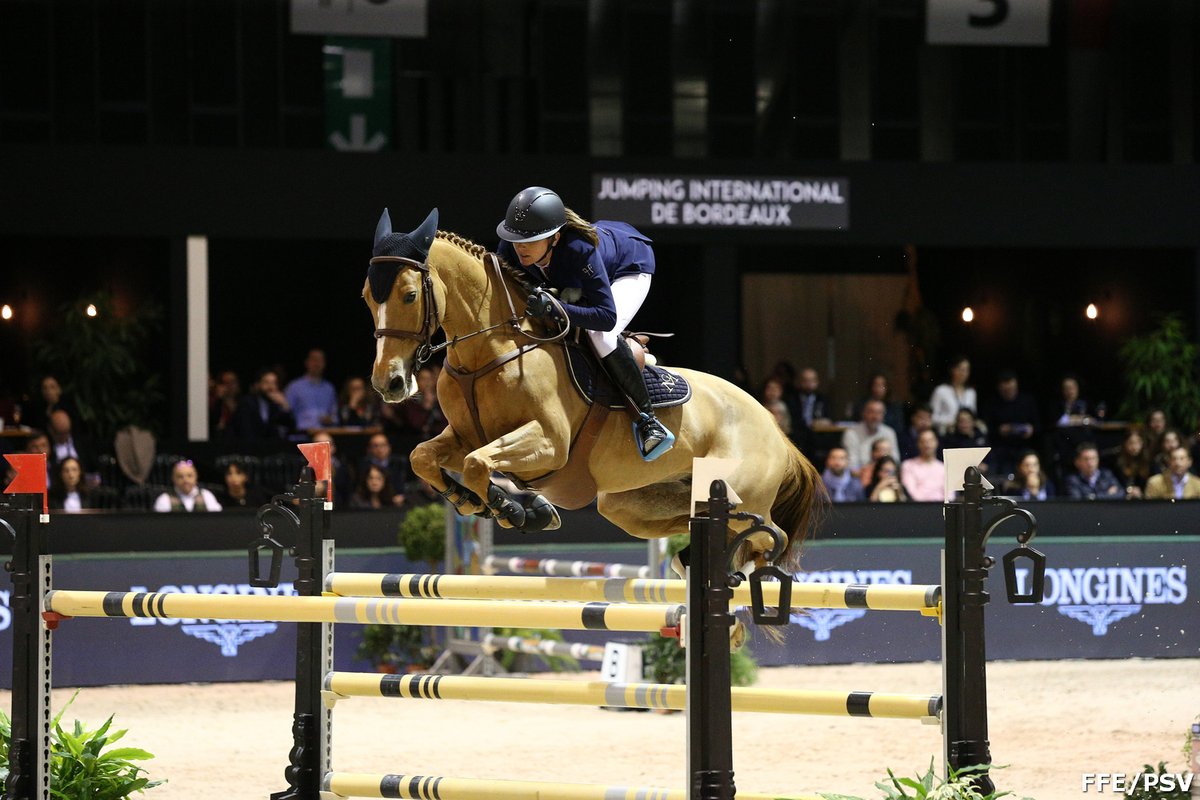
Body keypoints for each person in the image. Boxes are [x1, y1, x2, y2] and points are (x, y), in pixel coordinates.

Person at [496, 186, 673, 461]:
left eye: (530, 241)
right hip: (575, 277)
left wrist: (556, 308)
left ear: (554, 238)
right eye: (517, 239)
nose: (520, 247)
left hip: (627, 267)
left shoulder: (579, 251)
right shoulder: (511, 246)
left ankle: (648, 421)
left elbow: (605, 316)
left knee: (600, 336)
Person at [983, 370, 1041, 478]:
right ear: (1000, 388)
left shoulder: (1027, 400)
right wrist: (999, 430)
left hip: (1024, 447)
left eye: (1012, 388)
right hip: (1002, 449)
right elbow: (987, 429)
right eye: (1006, 390)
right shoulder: (992, 404)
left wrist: (1031, 429)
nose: (1009, 392)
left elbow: (1038, 426)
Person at [381, 364, 447, 457]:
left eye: (429, 379)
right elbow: (415, 424)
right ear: (416, 381)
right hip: (412, 447)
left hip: (436, 447)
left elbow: (444, 426)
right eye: (423, 379)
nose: (427, 383)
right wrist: (425, 407)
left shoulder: (441, 401)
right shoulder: (408, 403)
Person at [231, 368, 295, 442]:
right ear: (258, 385)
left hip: (272, 449)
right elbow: (245, 431)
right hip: (248, 447)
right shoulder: (247, 403)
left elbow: (290, 427)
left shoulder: (276, 405)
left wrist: (285, 405)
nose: (271, 387)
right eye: (266, 382)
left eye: (274, 383)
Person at [840, 399, 900, 478]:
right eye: (871, 412)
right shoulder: (851, 433)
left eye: (879, 413)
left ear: (883, 415)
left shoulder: (889, 432)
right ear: (864, 413)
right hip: (859, 477)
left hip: (886, 475)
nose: (875, 416)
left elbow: (896, 461)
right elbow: (852, 466)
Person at [285, 349, 339, 433]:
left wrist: (331, 419)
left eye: (320, 360)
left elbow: (335, 415)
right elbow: (286, 412)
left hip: (326, 431)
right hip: (302, 433)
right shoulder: (294, 387)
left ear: (324, 364)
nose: (317, 363)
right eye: (314, 360)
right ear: (307, 362)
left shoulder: (329, 388)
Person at [929, 356, 976, 435]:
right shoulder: (941, 390)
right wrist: (952, 421)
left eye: (967, 370)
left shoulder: (971, 392)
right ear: (952, 370)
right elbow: (932, 417)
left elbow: (973, 414)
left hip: (966, 434)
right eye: (961, 369)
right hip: (946, 433)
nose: (964, 373)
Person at [154, 460, 222, 512]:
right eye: (180, 476)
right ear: (173, 479)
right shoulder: (164, 500)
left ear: (196, 477)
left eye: (189, 476)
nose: (185, 480)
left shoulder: (207, 496)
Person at [359, 433, 407, 506]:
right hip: (369, 503)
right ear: (369, 449)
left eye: (383, 445)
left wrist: (402, 496)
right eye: (375, 446)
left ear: (389, 447)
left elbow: (404, 485)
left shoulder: (398, 463)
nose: (380, 449)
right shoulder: (364, 465)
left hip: (393, 503)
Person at [47, 409, 99, 477]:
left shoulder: (83, 443)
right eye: (60, 433)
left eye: (66, 432)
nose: (64, 436)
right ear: (51, 431)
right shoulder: (47, 446)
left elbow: (93, 469)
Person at [900, 429, 945, 502]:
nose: (927, 444)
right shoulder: (908, 465)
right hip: (917, 507)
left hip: (941, 507)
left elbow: (950, 494)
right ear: (918, 444)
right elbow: (910, 492)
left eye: (930, 440)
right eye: (923, 441)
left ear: (936, 442)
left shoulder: (944, 468)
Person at [1108, 428, 1152, 499]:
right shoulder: (1115, 462)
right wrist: (1127, 490)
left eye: (1138, 443)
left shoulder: (1149, 462)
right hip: (1121, 498)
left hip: (1144, 499)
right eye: (1131, 443)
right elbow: (1114, 483)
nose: (1134, 447)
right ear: (1125, 444)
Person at [209, 370, 241, 439]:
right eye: (226, 383)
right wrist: (219, 399)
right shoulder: (214, 403)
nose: (229, 386)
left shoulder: (244, 404)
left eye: (232, 382)